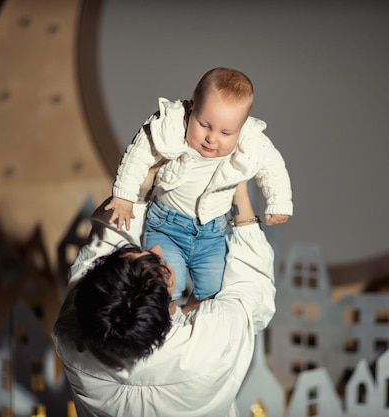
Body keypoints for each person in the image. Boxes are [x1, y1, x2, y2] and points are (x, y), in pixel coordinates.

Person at [52, 181, 276, 417]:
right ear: (170, 292)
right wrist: (240, 195)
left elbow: (99, 251)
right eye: (161, 264)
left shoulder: (70, 336)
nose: (158, 248)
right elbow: (252, 288)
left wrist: (137, 187)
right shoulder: (213, 343)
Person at [104, 67, 292, 306]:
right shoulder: (173, 128)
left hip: (211, 234)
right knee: (162, 285)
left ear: (241, 128)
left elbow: (273, 166)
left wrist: (279, 201)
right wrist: (124, 196)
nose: (211, 138)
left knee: (212, 291)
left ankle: (189, 317)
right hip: (166, 227)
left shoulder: (251, 142)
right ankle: (166, 323)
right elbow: (137, 155)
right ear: (191, 109)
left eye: (226, 132)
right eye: (204, 124)